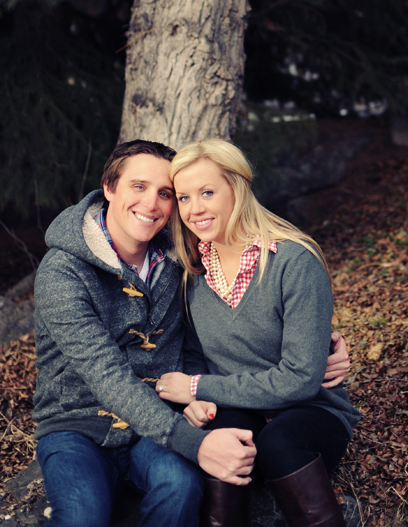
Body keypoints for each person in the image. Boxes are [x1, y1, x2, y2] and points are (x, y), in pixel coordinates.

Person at [33, 139, 348, 527]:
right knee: (83, 516)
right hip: (80, 427)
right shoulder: (72, 272)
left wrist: (327, 342)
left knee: (185, 485)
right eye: (140, 187)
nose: (154, 204)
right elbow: (115, 373)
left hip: (177, 421)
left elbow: (271, 324)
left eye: (166, 194)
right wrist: (195, 436)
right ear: (109, 188)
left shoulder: (180, 259)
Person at [156, 139, 361, 527]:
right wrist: (197, 403)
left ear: (237, 188)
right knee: (221, 443)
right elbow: (196, 354)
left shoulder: (295, 262)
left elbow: (301, 379)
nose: (195, 208)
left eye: (207, 192)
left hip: (311, 411)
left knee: (277, 443)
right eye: (184, 198)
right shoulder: (192, 274)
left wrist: (199, 388)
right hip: (240, 410)